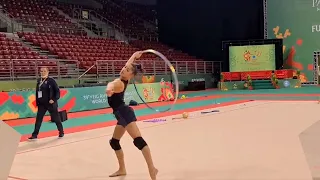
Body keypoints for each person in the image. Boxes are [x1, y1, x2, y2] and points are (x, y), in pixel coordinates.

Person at [106, 51, 158, 180]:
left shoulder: (119, 83)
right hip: (121, 115)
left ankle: (152, 169)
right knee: (114, 142)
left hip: (125, 114)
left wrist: (109, 88)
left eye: (127, 69)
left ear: (131, 75)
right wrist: (135, 54)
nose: (124, 69)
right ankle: (122, 169)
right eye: (124, 67)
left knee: (138, 141)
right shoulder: (125, 78)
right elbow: (129, 64)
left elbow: (111, 85)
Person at [28, 67, 64, 140]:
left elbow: (57, 91)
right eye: (41, 71)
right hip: (42, 105)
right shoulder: (39, 81)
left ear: (48, 72)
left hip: (50, 104)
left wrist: (53, 99)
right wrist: (37, 102)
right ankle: (34, 135)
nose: (42, 72)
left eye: (44, 71)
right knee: (38, 119)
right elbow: (38, 92)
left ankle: (61, 132)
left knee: (56, 118)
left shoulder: (51, 80)